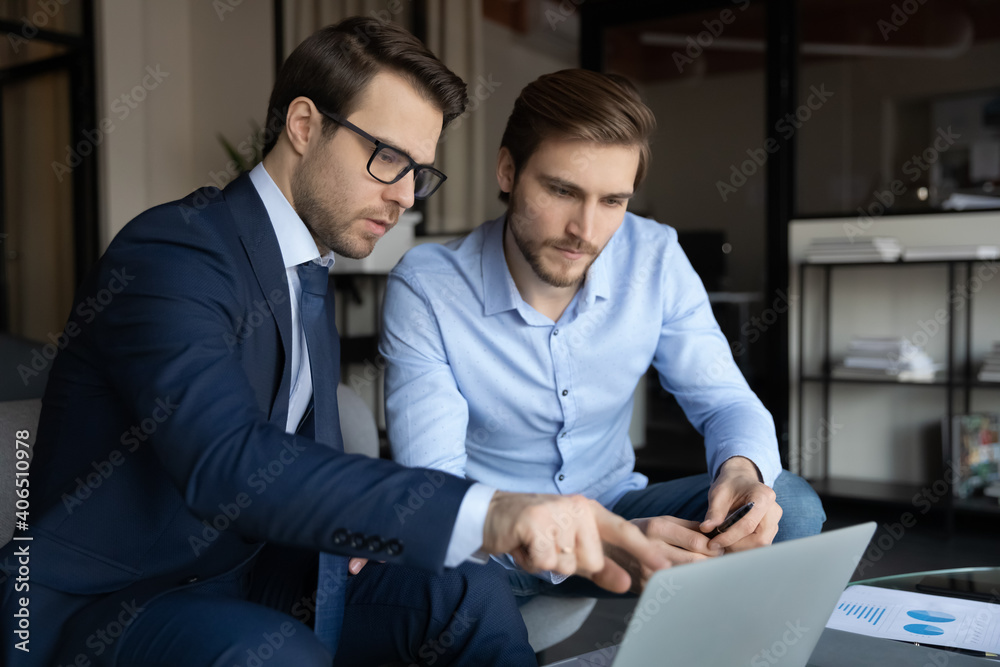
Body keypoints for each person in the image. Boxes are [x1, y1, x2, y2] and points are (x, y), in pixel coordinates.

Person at [0, 24, 669, 667]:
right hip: (111, 603)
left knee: (465, 588)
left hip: (257, 572)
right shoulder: (174, 251)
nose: (406, 194)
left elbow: (300, 462)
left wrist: (366, 529)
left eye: (420, 172)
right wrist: (493, 510)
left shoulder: (305, 269)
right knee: (276, 651)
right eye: (388, 158)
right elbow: (226, 460)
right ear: (303, 125)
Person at [381, 69, 826, 600]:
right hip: (495, 542)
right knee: (443, 571)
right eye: (562, 191)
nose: (586, 232)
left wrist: (740, 471)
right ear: (507, 170)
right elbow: (435, 493)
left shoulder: (653, 255)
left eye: (613, 201)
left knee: (785, 505)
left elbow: (726, 400)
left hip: (617, 508)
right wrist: (596, 542)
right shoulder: (428, 285)